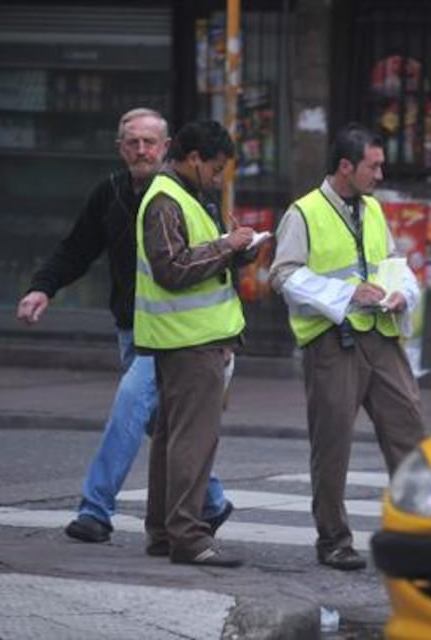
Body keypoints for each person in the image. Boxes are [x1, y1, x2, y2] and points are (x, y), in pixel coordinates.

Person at [16, 108, 233, 545]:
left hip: (171, 336)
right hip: (132, 330)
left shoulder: (181, 196)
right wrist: (43, 288)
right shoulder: (111, 193)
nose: (141, 150)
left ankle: (95, 510)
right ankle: (210, 501)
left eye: (150, 142)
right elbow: (76, 249)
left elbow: (209, 261)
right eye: (132, 142)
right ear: (120, 148)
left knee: (127, 410)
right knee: (162, 425)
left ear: (168, 147)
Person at [268, 123, 426, 571]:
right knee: (332, 443)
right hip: (334, 343)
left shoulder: (373, 208)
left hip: (383, 335)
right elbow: (282, 275)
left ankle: (419, 530)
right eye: (372, 166)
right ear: (345, 167)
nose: (380, 173)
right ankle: (333, 539)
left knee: (409, 431)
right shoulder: (303, 212)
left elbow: (392, 262)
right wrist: (346, 296)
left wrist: (401, 292)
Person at [135, 120, 256, 568]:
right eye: (216, 168)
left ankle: (164, 532)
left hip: (189, 338)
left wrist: (237, 250)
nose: (219, 177)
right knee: (193, 441)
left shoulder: (188, 198)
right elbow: (173, 267)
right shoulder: (166, 200)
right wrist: (227, 245)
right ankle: (188, 536)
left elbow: (197, 257)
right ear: (192, 159)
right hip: (190, 341)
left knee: (172, 439)